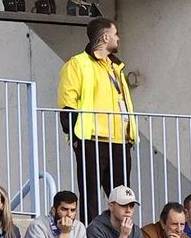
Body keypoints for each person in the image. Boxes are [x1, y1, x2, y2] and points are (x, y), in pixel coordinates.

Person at [57, 18, 136, 218]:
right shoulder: (77, 64)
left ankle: (121, 234)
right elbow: (67, 103)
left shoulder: (115, 67)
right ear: (105, 37)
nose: (118, 38)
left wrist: (129, 138)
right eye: (115, 34)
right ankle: (90, 234)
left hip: (120, 141)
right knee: (90, 196)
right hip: (91, 139)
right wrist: (75, 137)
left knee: (123, 198)